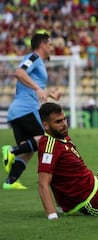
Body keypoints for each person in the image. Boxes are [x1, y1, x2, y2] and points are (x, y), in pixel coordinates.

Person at [2, 32, 61, 190]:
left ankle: (10, 182)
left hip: (17, 111)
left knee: (29, 149)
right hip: (26, 109)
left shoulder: (39, 62)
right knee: (46, 139)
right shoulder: (34, 58)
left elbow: (32, 88)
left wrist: (48, 93)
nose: (52, 47)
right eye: (50, 44)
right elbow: (19, 72)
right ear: (42, 45)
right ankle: (11, 150)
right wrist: (38, 89)